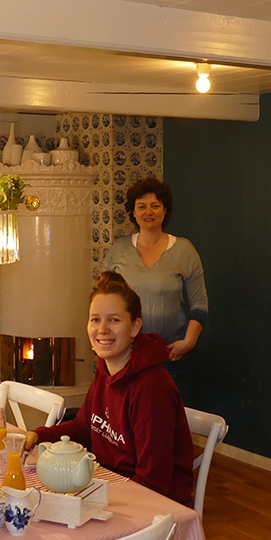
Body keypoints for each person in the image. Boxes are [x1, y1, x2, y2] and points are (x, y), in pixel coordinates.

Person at [25, 271, 194, 506]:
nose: (102, 329)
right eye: (95, 319)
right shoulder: (107, 366)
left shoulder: (151, 388)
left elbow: (154, 481)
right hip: (108, 483)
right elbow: (86, 425)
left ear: (135, 327)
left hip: (155, 507)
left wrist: (95, 500)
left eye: (114, 320)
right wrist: (38, 435)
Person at [103, 177, 208, 385]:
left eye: (155, 206)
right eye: (141, 206)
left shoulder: (184, 250)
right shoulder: (118, 250)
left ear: (165, 210)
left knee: (165, 416)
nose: (148, 212)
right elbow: (103, 301)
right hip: (125, 356)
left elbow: (200, 304)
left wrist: (189, 341)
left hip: (169, 357)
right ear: (133, 212)